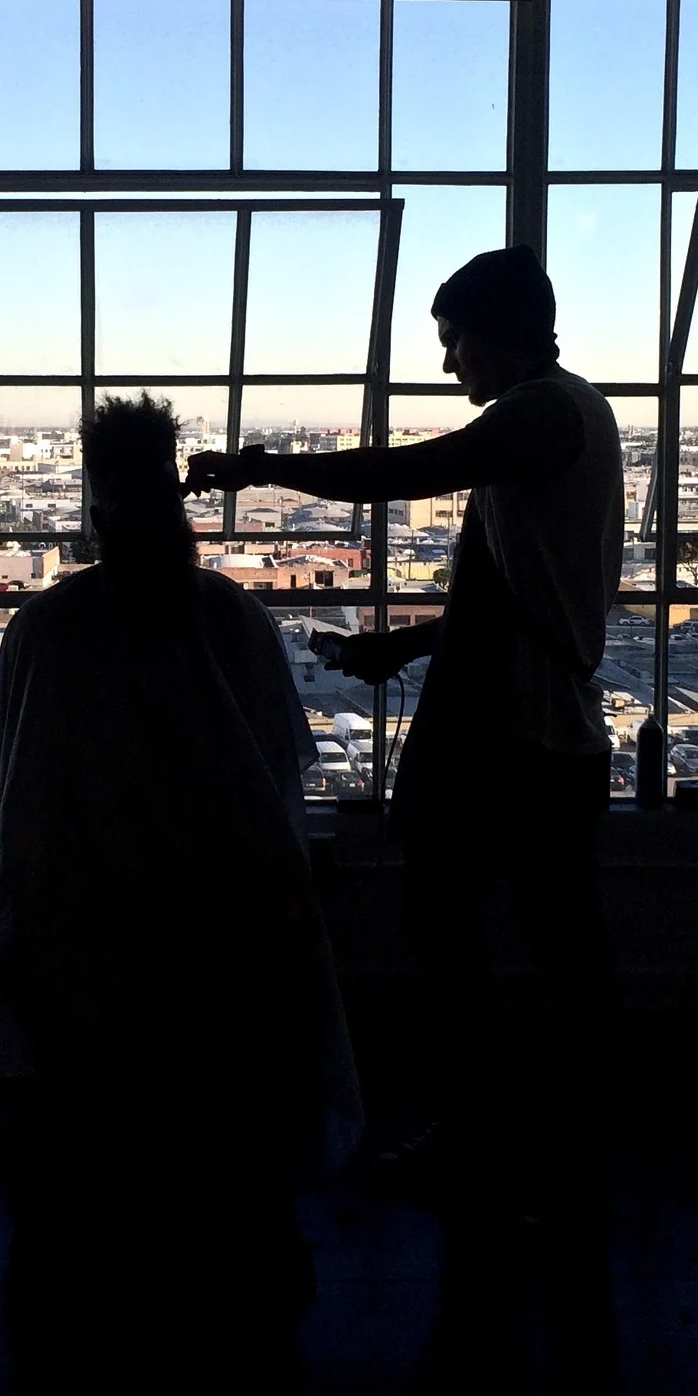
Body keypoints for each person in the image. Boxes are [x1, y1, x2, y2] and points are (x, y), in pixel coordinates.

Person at [187, 244, 624, 1195]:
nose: (447, 360)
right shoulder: (572, 411)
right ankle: (570, 1149)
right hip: (539, 726)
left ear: (496, 335)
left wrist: (260, 468)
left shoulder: (538, 414)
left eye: (455, 338)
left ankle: (491, 1129)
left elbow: (405, 471)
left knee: (454, 926)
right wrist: (407, 646)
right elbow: (521, 600)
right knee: (551, 939)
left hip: (512, 732)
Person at [0, 395, 362, 1360]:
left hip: (78, 962)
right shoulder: (234, 619)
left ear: (94, 506)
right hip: (224, 962)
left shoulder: (47, 631)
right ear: (178, 495)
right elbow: (279, 775)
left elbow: (16, 807)